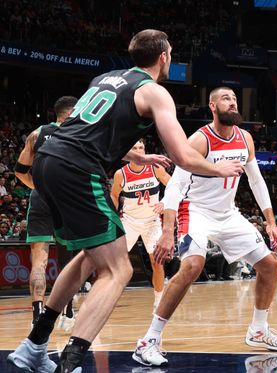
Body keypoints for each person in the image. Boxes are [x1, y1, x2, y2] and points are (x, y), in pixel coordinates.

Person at [8, 29, 244, 373]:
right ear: (164, 56)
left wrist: (143, 161)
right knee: (120, 269)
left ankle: (34, 345)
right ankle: (70, 363)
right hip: (78, 169)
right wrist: (219, 168)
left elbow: (95, 130)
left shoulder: (104, 77)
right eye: (172, 53)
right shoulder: (156, 92)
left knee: (91, 256)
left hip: (48, 162)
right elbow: (183, 156)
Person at [133, 87, 277, 367]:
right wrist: (167, 231)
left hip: (228, 214)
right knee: (192, 265)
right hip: (195, 211)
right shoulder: (200, 140)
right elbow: (176, 187)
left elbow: (256, 182)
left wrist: (270, 222)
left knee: (270, 266)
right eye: (226, 98)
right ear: (213, 106)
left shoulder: (246, 139)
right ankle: (149, 340)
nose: (233, 102)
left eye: (235, 98)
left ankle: (258, 330)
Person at [13, 95, 78, 329]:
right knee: (69, 264)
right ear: (73, 112)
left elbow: (20, 171)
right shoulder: (80, 132)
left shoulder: (37, 133)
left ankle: (37, 317)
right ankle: (68, 313)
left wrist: (40, 186)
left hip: (41, 197)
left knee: (39, 262)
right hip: (68, 200)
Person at [110, 139, 172, 309]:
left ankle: (159, 302)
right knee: (114, 263)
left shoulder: (155, 168)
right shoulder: (120, 174)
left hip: (152, 222)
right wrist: (112, 217)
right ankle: (104, 299)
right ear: (128, 153)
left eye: (141, 147)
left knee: (157, 263)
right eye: (134, 148)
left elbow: (175, 186)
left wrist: (165, 202)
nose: (139, 151)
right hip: (129, 221)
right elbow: (114, 196)